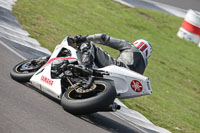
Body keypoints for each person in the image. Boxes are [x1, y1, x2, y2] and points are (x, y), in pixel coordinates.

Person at [73, 33, 152, 74]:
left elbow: (104, 38)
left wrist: (84, 37)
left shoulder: (131, 46)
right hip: (124, 82)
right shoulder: (143, 66)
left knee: (89, 44)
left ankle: (85, 67)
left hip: (119, 68)